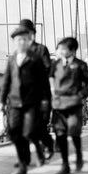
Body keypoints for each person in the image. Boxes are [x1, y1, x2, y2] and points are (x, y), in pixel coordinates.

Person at [0, 26, 50, 174]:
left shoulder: (36, 59)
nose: (21, 42)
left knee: (29, 132)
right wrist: (1, 100)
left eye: (24, 39)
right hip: (14, 103)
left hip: (32, 102)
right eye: (18, 40)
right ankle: (23, 163)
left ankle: (36, 152)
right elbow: (6, 81)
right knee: (14, 133)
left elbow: (44, 82)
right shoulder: (12, 59)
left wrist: (45, 101)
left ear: (29, 41)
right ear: (14, 42)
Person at [50, 37, 88, 174]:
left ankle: (79, 155)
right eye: (60, 49)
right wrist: (52, 90)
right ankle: (65, 164)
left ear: (73, 50)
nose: (61, 51)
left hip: (74, 103)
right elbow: (50, 77)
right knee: (61, 134)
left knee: (74, 131)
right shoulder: (55, 64)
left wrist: (81, 95)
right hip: (58, 104)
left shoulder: (80, 65)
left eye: (64, 48)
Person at [18, 19, 54, 161]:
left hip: (41, 95)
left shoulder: (41, 49)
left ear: (32, 34)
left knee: (39, 126)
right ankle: (25, 160)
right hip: (24, 97)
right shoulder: (18, 52)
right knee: (23, 129)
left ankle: (48, 143)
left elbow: (47, 69)